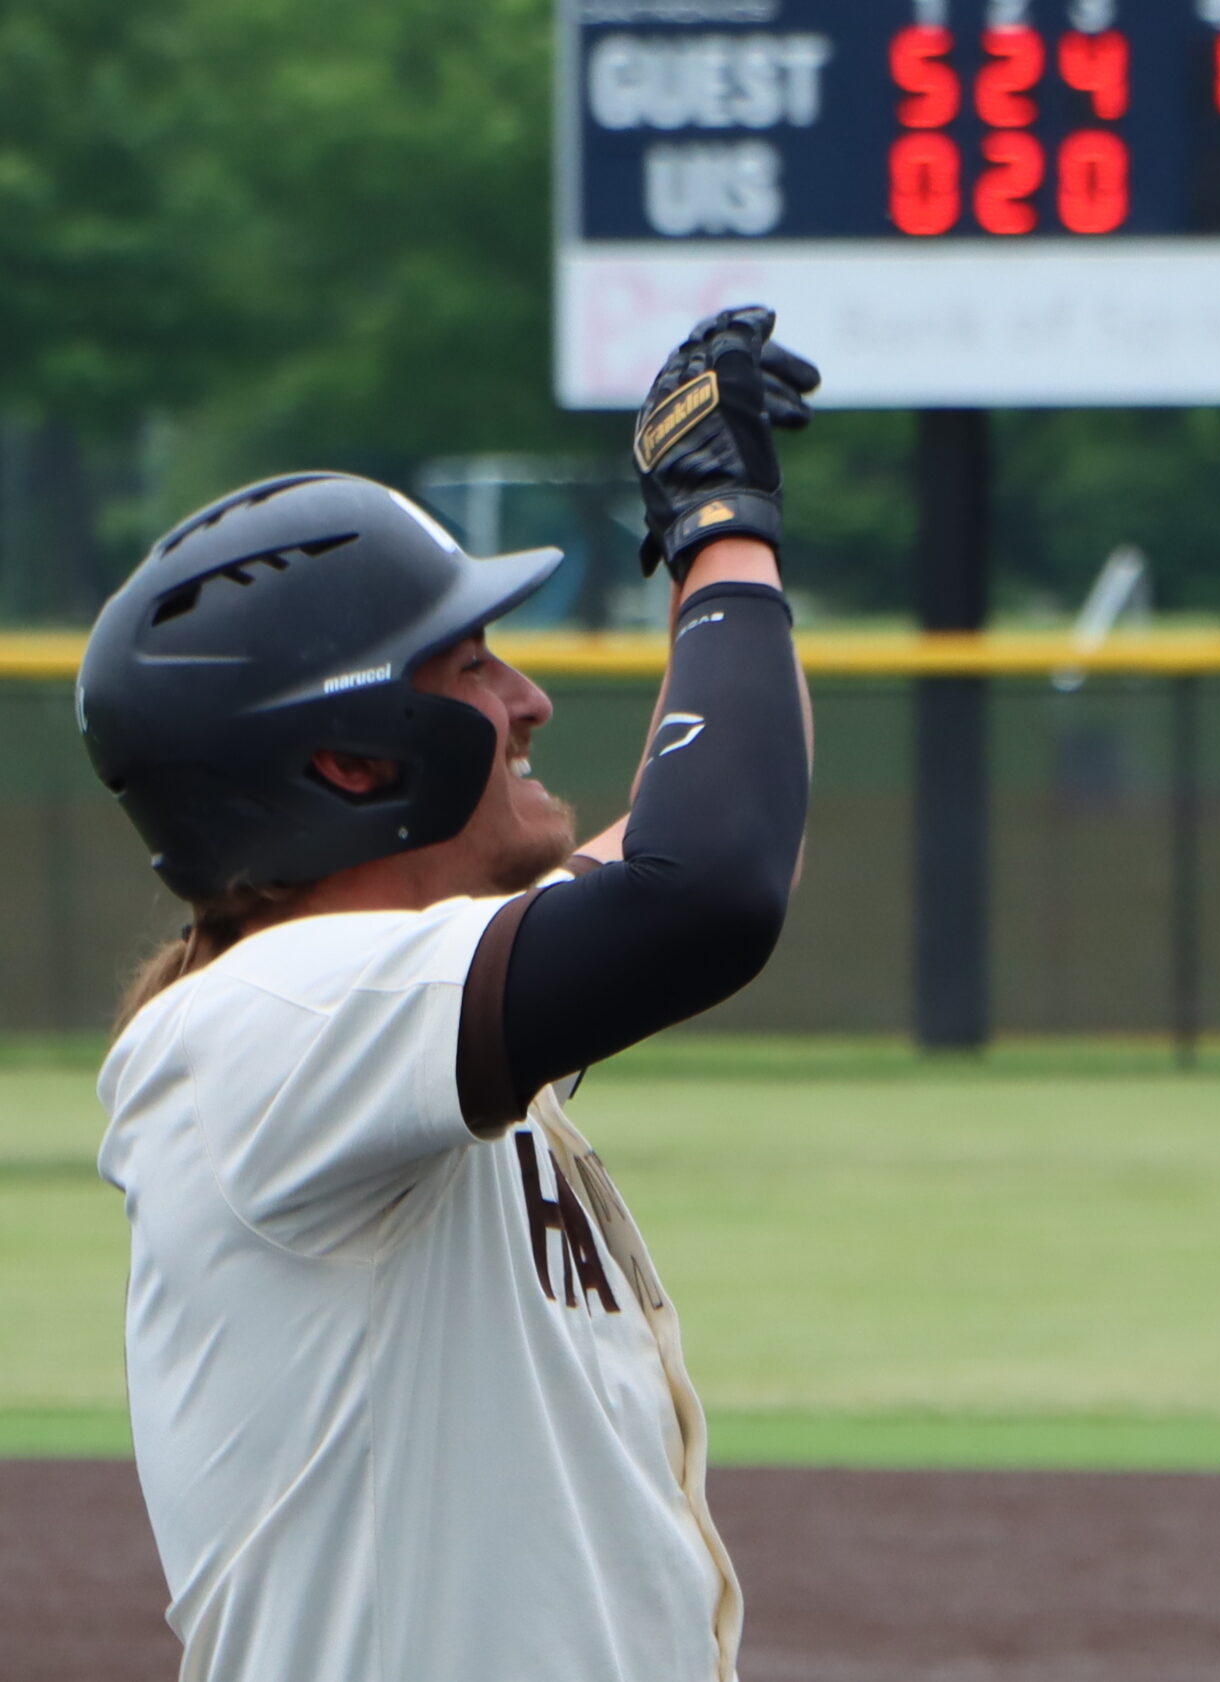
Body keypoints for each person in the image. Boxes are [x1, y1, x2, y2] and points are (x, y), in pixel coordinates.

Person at [79, 306, 819, 1682]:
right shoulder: (278, 1019)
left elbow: (709, 835)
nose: (529, 697)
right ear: (355, 759)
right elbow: (704, 885)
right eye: (472, 662)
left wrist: (713, 559)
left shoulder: (362, 1013)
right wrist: (724, 530)